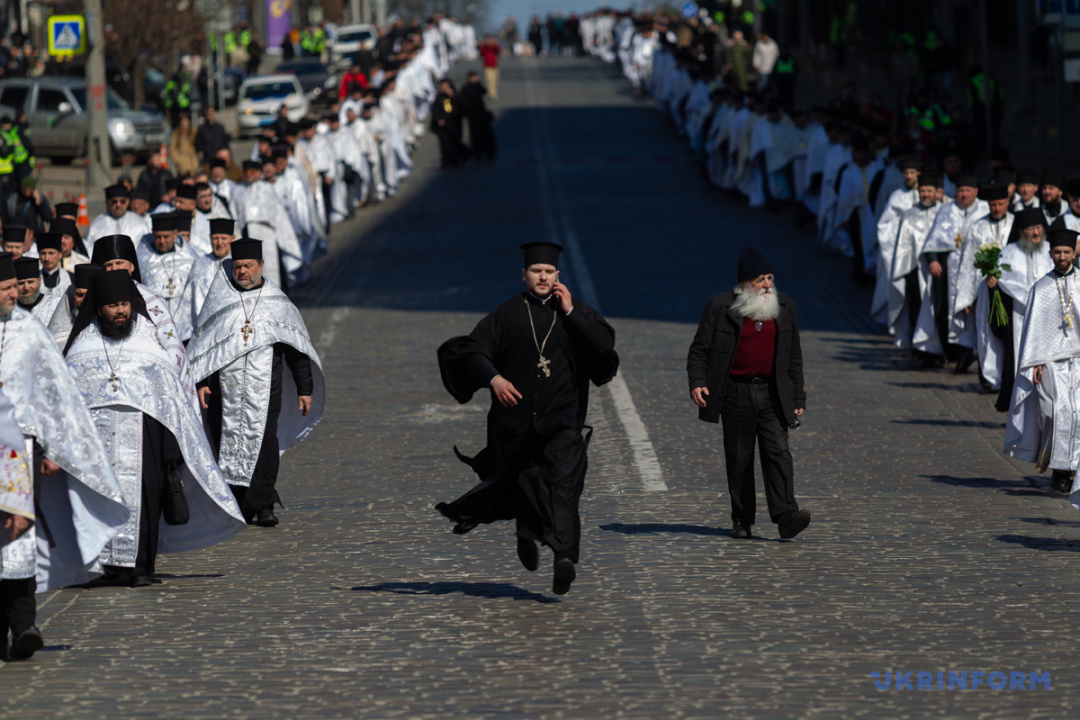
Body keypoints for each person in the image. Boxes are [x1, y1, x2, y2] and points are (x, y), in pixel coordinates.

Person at [434, 242, 619, 595]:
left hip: (563, 420)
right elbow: (468, 348)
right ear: (524, 275)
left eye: (549, 272)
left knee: (564, 486)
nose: (543, 277)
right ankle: (526, 531)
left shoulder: (574, 312)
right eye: (536, 271)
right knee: (527, 485)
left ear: (558, 276)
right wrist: (494, 378)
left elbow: (604, 348)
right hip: (517, 424)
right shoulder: (506, 314)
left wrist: (572, 313)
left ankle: (563, 556)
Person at [63, 270, 244, 587]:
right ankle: (102, 569)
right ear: (99, 309)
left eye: (124, 304)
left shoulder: (149, 344)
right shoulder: (81, 348)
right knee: (96, 501)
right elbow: (66, 405)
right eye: (112, 306)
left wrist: (170, 450)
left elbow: (170, 400)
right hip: (97, 444)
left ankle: (139, 568)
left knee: (144, 501)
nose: (120, 311)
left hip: (145, 438)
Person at [0, 252, 128, 658]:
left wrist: (56, 448)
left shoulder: (29, 331)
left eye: (11, 288)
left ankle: (24, 623)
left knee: (16, 533)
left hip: (19, 450)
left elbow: (56, 394)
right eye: (3, 289)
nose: (11, 294)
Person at [187, 239, 323, 527]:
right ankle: (233, 502)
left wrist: (305, 389)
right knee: (224, 441)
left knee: (264, 443)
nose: (243, 271)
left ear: (262, 266)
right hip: (225, 389)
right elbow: (205, 346)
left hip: (266, 387)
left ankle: (263, 503)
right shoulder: (220, 299)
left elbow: (295, 349)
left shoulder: (277, 302)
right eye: (238, 266)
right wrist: (201, 382)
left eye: (249, 266)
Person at [686, 247, 811, 541]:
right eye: (759, 280)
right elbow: (699, 351)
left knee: (779, 453)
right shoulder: (719, 307)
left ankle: (785, 516)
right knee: (739, 457)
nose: (767, 284)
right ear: (744, 285)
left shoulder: (785, 306)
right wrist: (697, 381)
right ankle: (742, 519)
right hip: (735, 393)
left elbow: (794, 356)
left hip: (773, 393)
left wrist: (798, 397)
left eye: (769, 277)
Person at [1005, 229, 1080, 494]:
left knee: (1077, 415)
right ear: (1050, 254)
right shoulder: (1041, 287)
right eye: (1057, 252)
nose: (1062, 257)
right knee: (1052, 412)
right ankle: (1053, 461)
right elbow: (1033, 330)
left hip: (1078, 361)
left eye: (1066, 252)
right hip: (1049, 363)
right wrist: (1035, 361)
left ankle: (1067, 472)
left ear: (1074, 253)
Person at [912, 173, 988, 368]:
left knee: (973, 313)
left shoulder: (985, 210)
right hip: (948, 270)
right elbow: (932, 241)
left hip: (975, 270)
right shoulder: (946, 209)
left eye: (968, 191)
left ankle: (970, 355)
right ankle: (950, 352)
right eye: (960, 191)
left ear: (976, 192)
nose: (964, 195)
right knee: (942, 309)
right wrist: (932, 261)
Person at [954, 184, 1014, 392]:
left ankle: (1008, 376)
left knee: (1009, 333)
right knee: (985, 332)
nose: (996, 208)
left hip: (1011, 290)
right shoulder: (977, 227)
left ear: (1007, 203)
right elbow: (968, 264)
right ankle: (987, 376)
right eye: (992, 205)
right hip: (985, 289)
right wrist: (966, 297)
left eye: (1000, 204)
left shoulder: (1015, 224)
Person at [996, 208, 1054, 411]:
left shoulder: (1051, 249)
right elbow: (1004, 278)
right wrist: (1031, 297)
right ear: (1021, 231)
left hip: (1049, 314)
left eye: (1039, 228)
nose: (1036, 233)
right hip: (1021, 313)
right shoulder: (1010, 251)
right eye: (1031, 229)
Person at [175, 218, 233, 340]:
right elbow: (188, 301)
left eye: (223, 238)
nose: (219, 243)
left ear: (232, 238)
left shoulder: (239, 265)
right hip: (204, 332)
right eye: (215, 238)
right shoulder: (200, 264)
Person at [136, 212, 197, 318]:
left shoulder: (189, 257)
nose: (162, 241)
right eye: (158, 237)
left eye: (166, 236)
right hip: (155, 318)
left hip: (185, 319)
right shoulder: (143, 259)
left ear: (175, 233)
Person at [85, 184, 151, 256]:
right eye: (114, 201)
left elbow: (146, 251)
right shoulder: (96, 225)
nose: (118, 205)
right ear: (107, 202)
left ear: (127, 202)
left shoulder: (139, 223)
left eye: (122, 201)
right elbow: (89, 250)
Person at [459, 71, 497, 162]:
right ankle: (483, 152)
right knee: (482, 135)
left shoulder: (467, 87)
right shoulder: (471, 87)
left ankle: (481, 153)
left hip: (475, 115)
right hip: (476, 115)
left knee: (478, 135)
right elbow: (484, 91)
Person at [431, 79, 467, 169]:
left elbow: (460, 107)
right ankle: (446, 161)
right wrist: (438, 119)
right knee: (445, 144)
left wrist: (453, 96)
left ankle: (456, 159)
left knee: (455, 142)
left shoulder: (454, 96)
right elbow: (435, 110)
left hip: (454, 123)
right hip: (443, 126)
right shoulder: (439, 98)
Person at [169, 112, 200, 177]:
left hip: (193, 160)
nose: (185, 126)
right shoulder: (176, 134)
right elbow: (172, 149)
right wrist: (178, 160)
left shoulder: (193, 132)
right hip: (182, 161)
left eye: (187, 124)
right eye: (183, 124)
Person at [479, 36, 501, 100]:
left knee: (496, 80)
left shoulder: (494, 47)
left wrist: (495, 43)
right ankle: (492, 94)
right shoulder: (484, 47)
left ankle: (490, 90)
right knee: (491, 80)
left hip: (495, 66)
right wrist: (486, 44)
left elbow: (498, 50)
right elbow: (481, 50)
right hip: (488, 66)